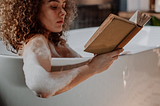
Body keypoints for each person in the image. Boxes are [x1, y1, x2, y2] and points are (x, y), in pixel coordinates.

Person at [0, 0, 123, 98]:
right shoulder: (36, 41)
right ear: (31, 11)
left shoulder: (54, 42)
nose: (63, 12)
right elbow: (41, 86)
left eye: (63, 5)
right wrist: (93, 67)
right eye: (54, 6)